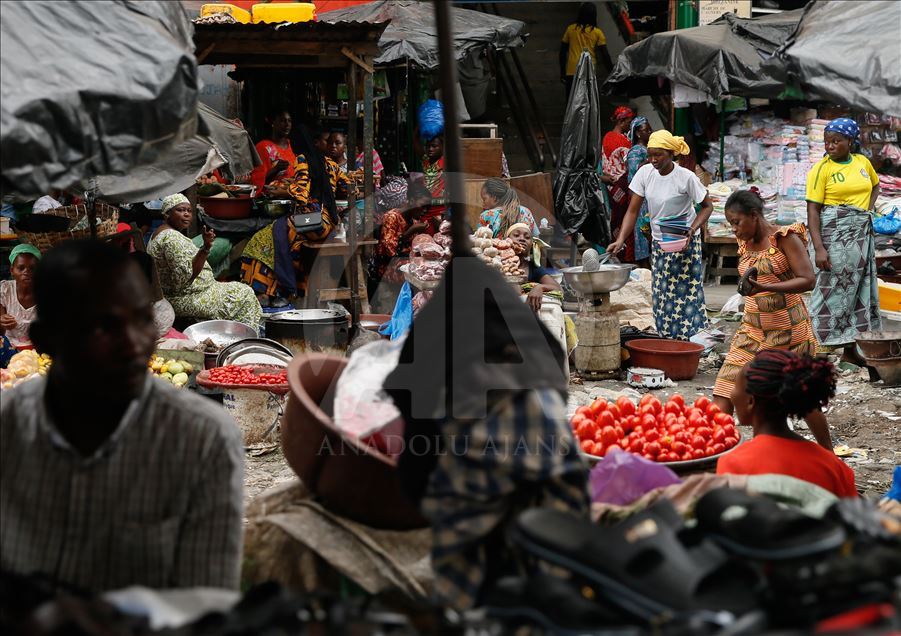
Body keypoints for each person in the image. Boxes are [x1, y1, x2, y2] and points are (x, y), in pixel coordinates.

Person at [0, 240, 245, 591]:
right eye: (105, 326)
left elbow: (207, 596)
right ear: (46, 339)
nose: (134, 343)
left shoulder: (201, 438)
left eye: (142, 319)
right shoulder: (9, 428)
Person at [713, 190, 831, 450]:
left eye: (737, 222)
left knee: (800, 396)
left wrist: (766, 288)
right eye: (730, 222)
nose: (733, 228)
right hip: (752, 328)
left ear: (754, 216)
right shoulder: (744, 241)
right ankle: (712, 450)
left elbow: (808, 279)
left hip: (788, 330)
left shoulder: (784, 239)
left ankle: (827, 453)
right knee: (725, 388)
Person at [608, 130, 713, 340]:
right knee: (662, 293)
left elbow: (707, 207)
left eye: (658, 155)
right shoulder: (645, 173)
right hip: (659, 241)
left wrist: (691, 230)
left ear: (671, 153)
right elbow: (632, 210)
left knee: (686, 293)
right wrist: (620, 240)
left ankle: (689, 340)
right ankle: (667, 338)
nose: (653, 160)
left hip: (685, 242)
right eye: (650, 155)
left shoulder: (686, 177)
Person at [716, 350, 856, 498]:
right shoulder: (834, 467)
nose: (731, 394)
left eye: (735, 388)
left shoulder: (734, 464)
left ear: (751, 401)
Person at [241, 125, 348, 304]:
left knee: (264, 237)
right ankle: (290, 290)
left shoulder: (302, 158)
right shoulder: (328, 162)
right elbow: (347, 186)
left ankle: (273, 290)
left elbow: (301, 192)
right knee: (293, 243)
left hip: (312, 221)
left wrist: (279, 192)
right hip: (328, 222)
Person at [806, 117, 881, 364]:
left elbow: (875, 186)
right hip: (833, 237)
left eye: (836, 141)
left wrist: (867, 212)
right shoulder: (821, 169)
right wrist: (819, 248)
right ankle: (817, 346)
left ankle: (850, 351)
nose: (829, 146)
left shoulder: (862, 163)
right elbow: (813, 210)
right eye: (827, 142)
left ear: (850, 142)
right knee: (829, 290)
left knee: (858, 290)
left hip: (859, 237)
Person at [148, 194, 262, 328]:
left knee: (239, 289)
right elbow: (186, 278)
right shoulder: (171, 238)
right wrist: (205, 249)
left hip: (186, 293)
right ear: (167, 214)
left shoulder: (162, 233)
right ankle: (244, 340)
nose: (186, 214)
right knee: (244, 294)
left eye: (189, 211)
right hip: (182, 298)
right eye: (180, 210)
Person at [369, 182, 433, 285]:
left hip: (405, 264)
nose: (425, 211)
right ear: (411, 201)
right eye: (423, 206)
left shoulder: (414, 221)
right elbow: (391, 252)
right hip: (387, 268)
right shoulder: (391, 217)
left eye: (428, 208)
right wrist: (411, 231)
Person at [603, 106, 637, 261]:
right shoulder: (622, 141)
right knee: (627, 220)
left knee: (617, 220)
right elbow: (630, 165)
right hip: (623, 186)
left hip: (611, 188)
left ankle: (617, 254)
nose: (630, 126)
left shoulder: (607, 137)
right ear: (622, 121)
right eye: (629, 122)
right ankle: (626, 256)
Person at [559, 2, 612, 100]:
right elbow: (605, 54)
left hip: (572, 70)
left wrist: (562, 72)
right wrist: (611, 72)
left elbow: (562, 52)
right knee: (587, 101)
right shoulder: (597, 32)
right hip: (588, 71)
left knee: (571, 101)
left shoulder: (570, 29)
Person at [507, 223, 560, 312]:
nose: (522, 239)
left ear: (531, 245)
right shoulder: (498, 264)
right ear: (507, 240)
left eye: (527, 237)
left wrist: (539, 288)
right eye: (516, 235)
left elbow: (558, 288)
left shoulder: (533, 267)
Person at [0, 244, 40, 351]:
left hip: (39, 348)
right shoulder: (5, 290)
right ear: (12, 270)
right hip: (8, 348)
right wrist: (2, 320)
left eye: (32, 268)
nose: (26, 272)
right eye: (21, 268)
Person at [626, 116, 653, 265]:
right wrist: (649, 161)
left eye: (650, 129)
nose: (650, 132)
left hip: (649, 196)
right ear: (637, 134)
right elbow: (634, 175)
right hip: (641, 199)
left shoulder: (647, 149)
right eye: (646, 130)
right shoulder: (636, 152)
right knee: (643, 233)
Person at [250, 109, 296, 196]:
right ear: (272, 123)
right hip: (273, 200)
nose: (287, 124)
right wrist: (275, 169)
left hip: (295, 196)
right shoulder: (263, 147)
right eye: (283, 121)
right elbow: (256, 181)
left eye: (289, 121)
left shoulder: (293, 145)